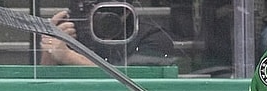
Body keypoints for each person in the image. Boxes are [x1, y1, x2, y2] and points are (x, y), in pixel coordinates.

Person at [40, 1, 178, 67]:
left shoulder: (152, 38)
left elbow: (133, 86)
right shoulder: (72, 35)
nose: (89, 18)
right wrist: (50, 49)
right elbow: (43, 86)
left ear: (126, 9)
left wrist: (70, 57)